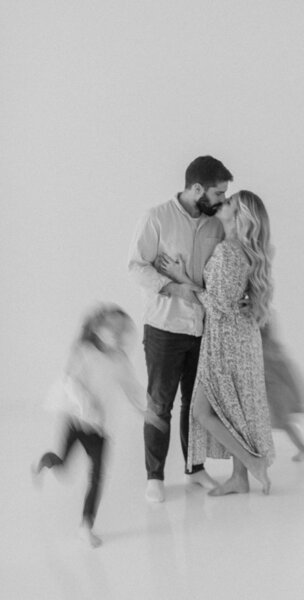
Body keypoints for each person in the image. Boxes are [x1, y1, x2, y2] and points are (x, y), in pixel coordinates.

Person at [128, 155, 233, 503]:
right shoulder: (156, 217)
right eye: (218, 193)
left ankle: (195, 468)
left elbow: (218, 274)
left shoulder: (216, 225)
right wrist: (175, 287)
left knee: (196, 404)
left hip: (203, 329)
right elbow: (136, 266)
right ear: (197, 188)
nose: (222, 200)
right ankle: (154, 476)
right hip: (163, 327)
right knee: (160, 403)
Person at [158, 190, 275, 496]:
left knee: (202, 410)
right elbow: (229, 298)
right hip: (239, 336)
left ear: (239, 218)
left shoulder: (228, 251)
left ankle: (252, 463)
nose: (221, 205)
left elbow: (218, 303)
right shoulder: (241, 251)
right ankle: (240, 477)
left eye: (229, 204)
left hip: (227, 340)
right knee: (233, 409)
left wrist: (182, 281)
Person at [31, 304, 165, 547]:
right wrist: (87, 405)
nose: (116, 334)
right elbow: (70, 381)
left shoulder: (119, 359)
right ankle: (45, 461)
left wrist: (147, 411)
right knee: (62, 466)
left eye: (121, 330)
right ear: (97, 329)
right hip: (76, 421)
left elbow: (131, 388)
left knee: (97, 477)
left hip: (101, 429)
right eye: (111, 328)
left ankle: (85, 526)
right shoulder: (85, 352)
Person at [260, 319, 304, 461]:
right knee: (281, 423)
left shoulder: (268, 351)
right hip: (270, 392)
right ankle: (302, 450)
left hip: (274, 393)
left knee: (283, 422)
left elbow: (281, 374)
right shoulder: (270, 349)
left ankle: (303, 450)